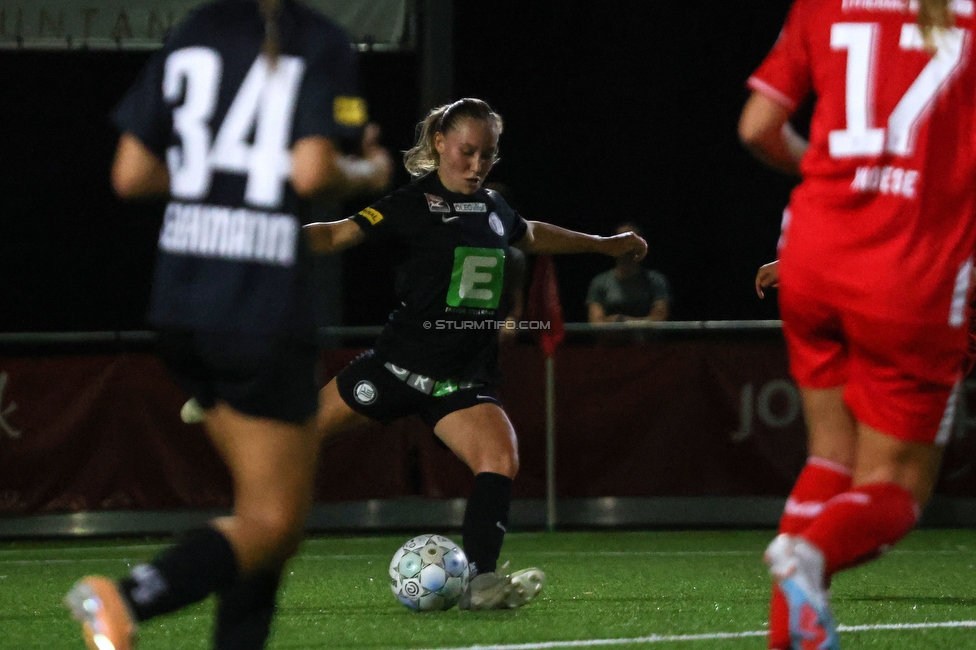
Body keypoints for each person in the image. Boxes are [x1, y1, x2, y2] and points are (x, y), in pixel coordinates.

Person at [64, 1, 391, 649]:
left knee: (259, 521)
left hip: (182, 303)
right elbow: (312, 170)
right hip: (258, 306)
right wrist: (372, 172)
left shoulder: (194, 31)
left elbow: (130, 174)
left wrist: (212, 183)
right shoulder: (313, 38)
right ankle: (125, 600)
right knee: (274, 525)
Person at [304, 97, 648, 610]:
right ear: (440, 143)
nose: (476, 165)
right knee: (290, 439)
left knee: (499, 458)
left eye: (487, 155)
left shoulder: (492, 208)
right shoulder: (409, 204)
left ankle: (482, 582)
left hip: (459, 384)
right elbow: (335, 235)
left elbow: (529, 234)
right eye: (467, 151)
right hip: (395, 369)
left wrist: (603, 244)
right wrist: (262, 239)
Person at [739, 1, 976, 648]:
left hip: (810, 253)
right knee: (895, 488)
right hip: (909, 272)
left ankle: (791, 629)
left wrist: (838, 178)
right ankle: (807, 554)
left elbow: (759, 126)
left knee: (829, 459)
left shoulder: (822, 4)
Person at [586, 222, 670, 324]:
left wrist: (624, 322)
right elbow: (596, 322)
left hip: (645, 340)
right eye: (620, 241)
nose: (627, 247)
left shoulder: (656, 280)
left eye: (632, 242)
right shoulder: (600, 282)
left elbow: (659, 318)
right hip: (611, 339)